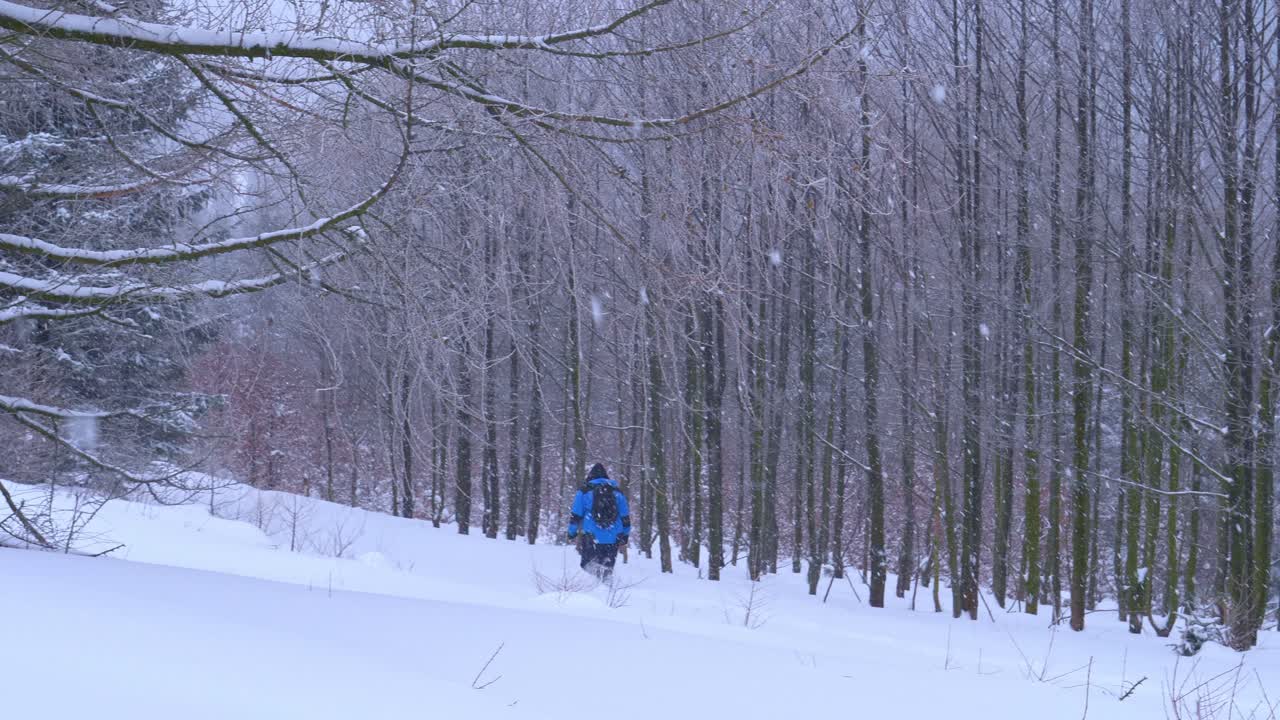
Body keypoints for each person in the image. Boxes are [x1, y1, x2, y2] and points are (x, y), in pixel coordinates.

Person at [567, 463, 631, 579]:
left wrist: (571, 533)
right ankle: (606, 591)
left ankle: (593, 591)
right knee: (607, 570)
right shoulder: (617, 492)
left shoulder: (585, 492)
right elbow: (625, 518)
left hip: (592, 537)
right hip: (613, 537)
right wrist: (625, 536)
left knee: (589, 567)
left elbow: (576, 515)